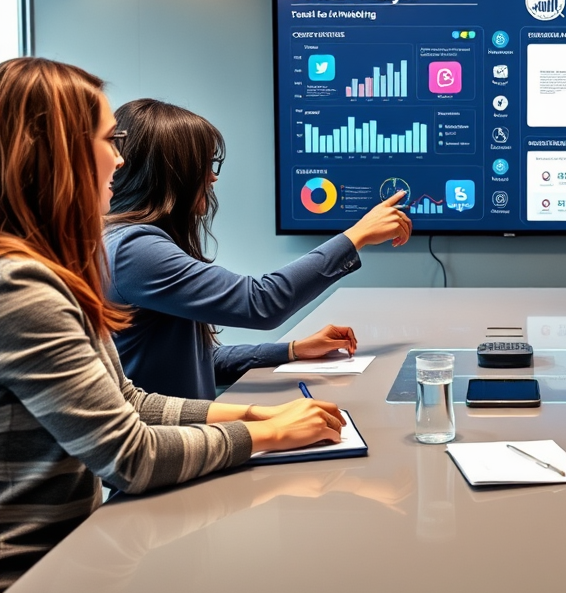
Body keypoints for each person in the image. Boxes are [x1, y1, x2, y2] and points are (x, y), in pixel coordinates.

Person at [0, 57, 347, 593]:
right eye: (108, 140)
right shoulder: (20, 287)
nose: (119, 161)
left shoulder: (51, 272)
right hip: (35, 585)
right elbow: (129, 455)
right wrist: (267, 433)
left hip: (71, 561)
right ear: (56, 154)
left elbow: (131, 401)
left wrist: (258, 409)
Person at [104, 98, 413, 400]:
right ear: (172, 174)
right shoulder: (134, 250)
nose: (212, 177)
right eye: (204, 165)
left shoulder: (126, 243)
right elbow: (260, 302)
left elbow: (198, 364)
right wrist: (356, 235)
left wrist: (292, 351)